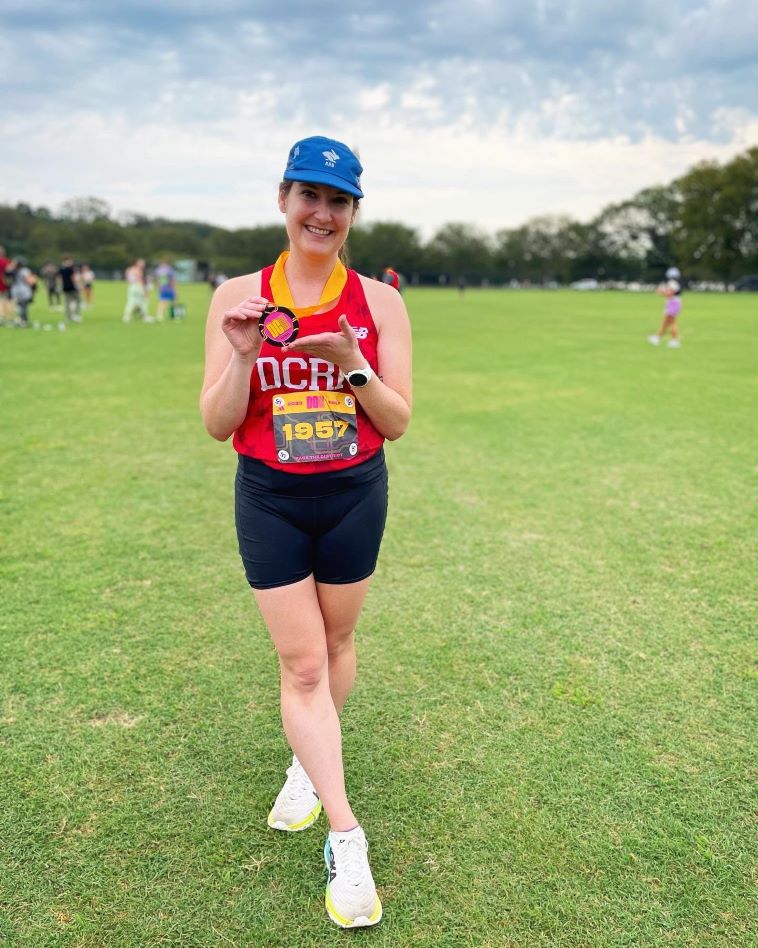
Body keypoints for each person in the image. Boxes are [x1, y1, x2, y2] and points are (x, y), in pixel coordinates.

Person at [200, 135, 412, 930]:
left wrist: (355, 361)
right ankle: (346, 837)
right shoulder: (237, 295)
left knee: (335, 647)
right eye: (309, 196)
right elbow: (218, 424)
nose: (322, 213)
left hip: (354, 494)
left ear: (354, 213)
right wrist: (244, 357)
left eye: (339, 201)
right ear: (284, 200)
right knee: (300, 663)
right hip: (271, 498)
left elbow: (397, 420)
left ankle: (304, 764)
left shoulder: (380, 304)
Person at [648, 266, 682, 348]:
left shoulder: (672, 283)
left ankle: (674, 341)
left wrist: (660, 292)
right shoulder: (675, 283)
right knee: (666, 323)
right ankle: (657, 338)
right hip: (674, 304)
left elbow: (669, 294)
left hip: (672, 304)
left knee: (671, 323)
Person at [6, 256, 37, 327]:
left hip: (15, 290)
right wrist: (34, 279)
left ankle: (21, 320)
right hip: (24, 290)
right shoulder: (25, 270)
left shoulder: (12, 270)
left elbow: (7, 275)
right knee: (23, 306)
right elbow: (30, 281)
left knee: (19, 306)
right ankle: (23, 321)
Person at [122, 258, 151, 322]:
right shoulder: (138, 270)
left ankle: (127, 316)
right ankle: (145, 316)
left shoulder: (129, 269)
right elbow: (140, 280)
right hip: (138, 286)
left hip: (131, 286)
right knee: (144, 301)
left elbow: (127, 279)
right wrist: (144, 289)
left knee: (131, 301)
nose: (143, 265)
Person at [59, 255, 81, 322]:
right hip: (72, 287)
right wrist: (77, 285)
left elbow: (60, 279)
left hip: (65, 287)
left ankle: (69, 317)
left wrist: (60, 286)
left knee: (67, 303)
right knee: (78, 301)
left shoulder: (61, 269)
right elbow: (73, 278)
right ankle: (76, 315)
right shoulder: (71, 269)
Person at [0, 245, 12, 324]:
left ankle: (1, 316)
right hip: (6, 283)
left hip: (2, 282)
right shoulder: (7, 261)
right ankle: (9, 317)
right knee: (8, 300)